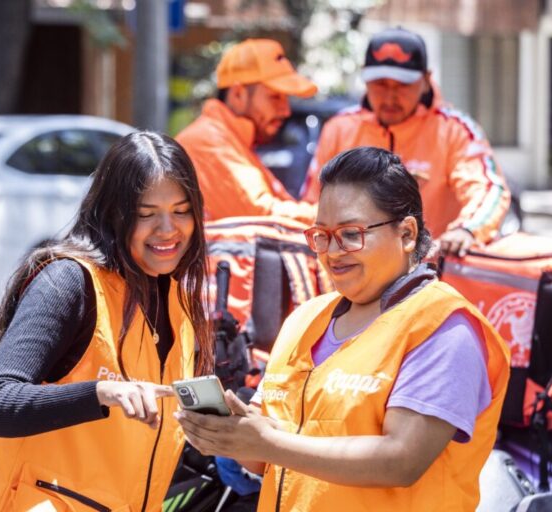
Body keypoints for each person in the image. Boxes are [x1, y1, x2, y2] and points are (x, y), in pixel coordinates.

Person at [175, 147, 511, 511]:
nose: (332, 252)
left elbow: (401, 459)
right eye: (322, 235)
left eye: (351, 234)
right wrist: (230, 436)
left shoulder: (443, 327)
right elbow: (264, 459)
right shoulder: (304, 320)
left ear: (408, 234)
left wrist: (268, 444)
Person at [0, 132, 212, 511]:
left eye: (181, 210)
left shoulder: (177, 299)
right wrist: (100, 394)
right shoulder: (68, 282)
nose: (168, 229)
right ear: (112, 213)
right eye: (145, 214)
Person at [302, 27, 511, 256]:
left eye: (402, 85)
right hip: (354, 274)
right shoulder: (339, 129)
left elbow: (487, 188)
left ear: (425, 81)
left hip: (431, 274)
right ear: (365, 77)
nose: (391, 96)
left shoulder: (455, 131)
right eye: (380, 83)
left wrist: (468, 229)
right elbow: (313, 205)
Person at [176, 38, 318, 223]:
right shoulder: (207, 140)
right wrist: (332, 218)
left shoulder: (227, 139)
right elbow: (261, 216)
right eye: (275, 97)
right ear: (238, 94)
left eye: (286, 98)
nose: (286, 110)